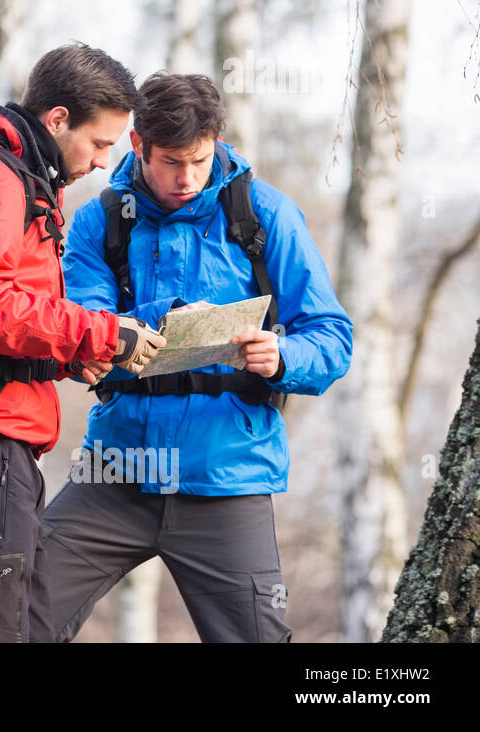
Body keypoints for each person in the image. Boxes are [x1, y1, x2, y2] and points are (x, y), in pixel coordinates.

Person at [42, 72, 353, 642]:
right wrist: (156, 321)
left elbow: (332, 336)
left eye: (199, 161)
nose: (185, 179)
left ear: (218, 142)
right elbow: (86, 330)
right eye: (170, 162)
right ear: (137, 145)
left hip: (228, 475)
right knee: (14, 618)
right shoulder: (97, 222)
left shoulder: (267, 216)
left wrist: (280, 355)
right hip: (116, 470)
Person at [0, 43, 166, 642]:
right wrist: (97, 330)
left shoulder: (17, 181)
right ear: (57, 120)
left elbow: (7, 318)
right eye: (100, 144)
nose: (104, 163)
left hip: (1, 446)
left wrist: (78, 351)